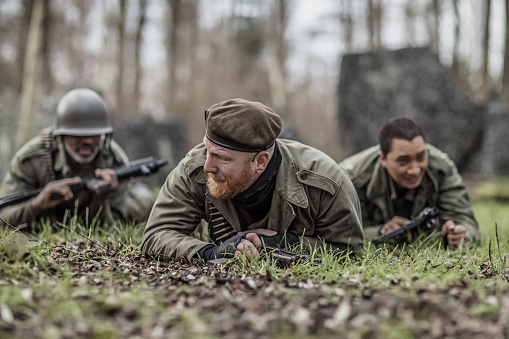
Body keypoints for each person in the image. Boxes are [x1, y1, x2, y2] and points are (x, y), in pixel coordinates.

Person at [141, 98, 364, 261]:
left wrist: (284, 243)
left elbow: (348, 250)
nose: (208, 166)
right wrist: (211, 252)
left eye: (221, 157)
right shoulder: (195, 168)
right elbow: (156, 235)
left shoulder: (325, 181)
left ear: (260, 162)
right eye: (207, 150)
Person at [0, 88, 156, 228]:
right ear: (61, 136)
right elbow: (3, 215)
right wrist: (37, 204)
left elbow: (114, 228)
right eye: (79, 134)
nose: (87, 141)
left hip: (107, 208)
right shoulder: (30, 160)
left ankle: (138, 191)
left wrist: (100, 199)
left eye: (94, 134)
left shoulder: (114, 161)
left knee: (142, 207)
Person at [339, 117, 480, 249]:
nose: (414, 170)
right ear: (383, 158)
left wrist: (462, 234)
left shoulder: (441, 168)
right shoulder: (350, 179)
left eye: (421, 157)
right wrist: (380, 232)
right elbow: (338, 232)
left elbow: (465, 219)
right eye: (403, 161)